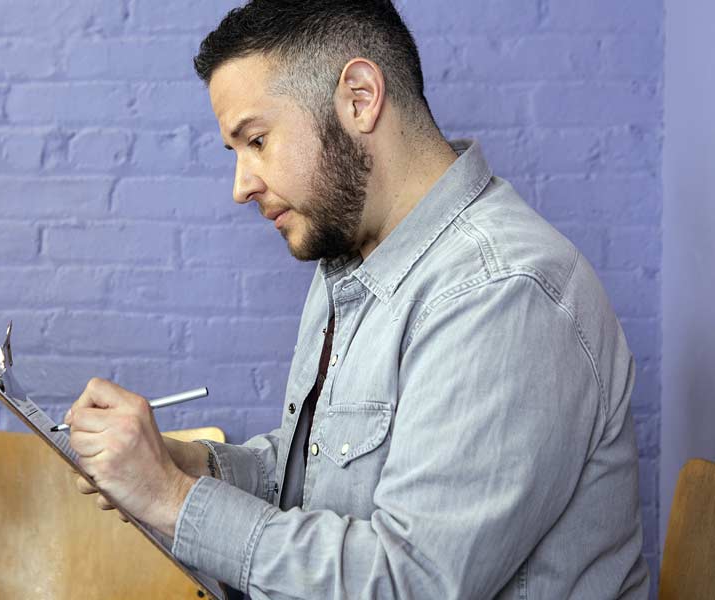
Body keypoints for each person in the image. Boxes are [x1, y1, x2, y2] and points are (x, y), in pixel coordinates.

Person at [63, 1, 650, 597]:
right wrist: (188, 466)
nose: (241, 186)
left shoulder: (501, 294)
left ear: (361, 97)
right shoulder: (350, 259)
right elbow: (322, 478)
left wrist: (170, 500)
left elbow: (408, 583)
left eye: (258, 140)